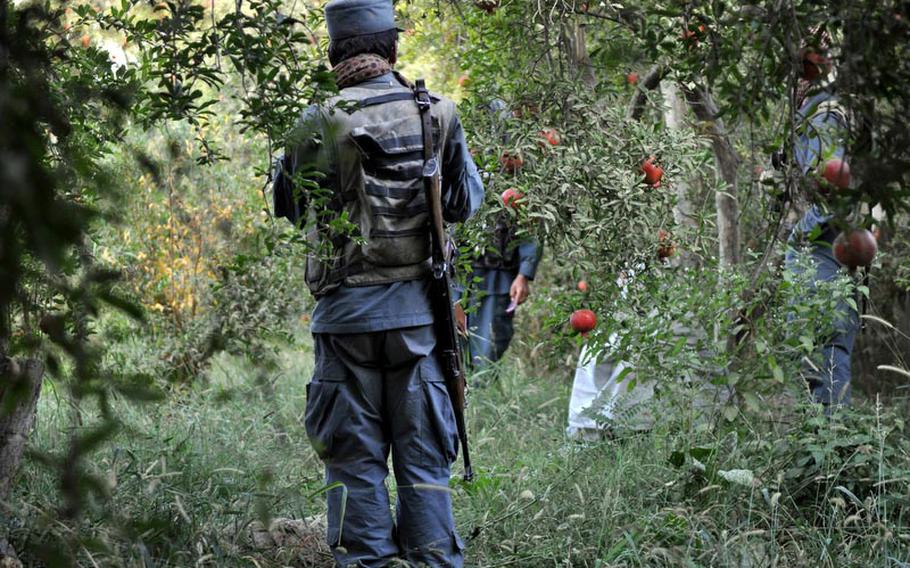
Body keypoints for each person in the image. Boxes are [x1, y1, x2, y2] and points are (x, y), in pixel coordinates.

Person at [272, 1, 484, 564]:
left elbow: (289, 206)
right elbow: (462, 203)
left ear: (332, 54)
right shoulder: (437, 112)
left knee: (353, 462)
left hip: (343, 322)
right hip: (421, 319)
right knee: (423, 460)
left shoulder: (314, 121)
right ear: (392, 50)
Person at [783, 33, 859, 407]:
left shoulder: (824, 115)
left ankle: (832, 451)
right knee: (816, 355)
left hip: (822, 249)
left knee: (826, 352)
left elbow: (834, 184)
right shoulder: (813, 112)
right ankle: (825, 447)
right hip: (825, 247)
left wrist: (801, 231)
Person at [463, 214, 541, 369]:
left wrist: (523, 274)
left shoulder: (519, 191)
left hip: (497, 276)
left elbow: (531, 226)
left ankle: (481, 388)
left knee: (488, 346)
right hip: (459, 273)